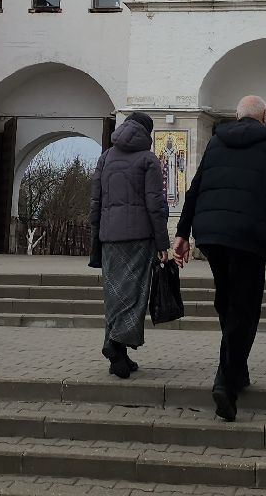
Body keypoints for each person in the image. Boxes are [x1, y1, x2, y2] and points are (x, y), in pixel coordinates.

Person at [172, 94, 266, 422]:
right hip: (249, 237)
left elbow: (194, 188)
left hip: (212, 235)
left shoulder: (216, 142)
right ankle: (225, 382)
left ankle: (238, 368)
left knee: (227, 301)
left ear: (236, 117)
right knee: (244, 309)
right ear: (264, 117)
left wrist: (182, 233)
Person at [88, 111, 169, 379]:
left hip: (110, 238)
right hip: (139, 239)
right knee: (134, 295)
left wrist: (96, 237)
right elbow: (155, 205)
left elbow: (95, 201)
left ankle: (118, 355)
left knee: (114, 295)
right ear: (147, 132)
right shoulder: (148, 159)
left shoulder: (105, 157)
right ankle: (115, 344)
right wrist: (163, 242)